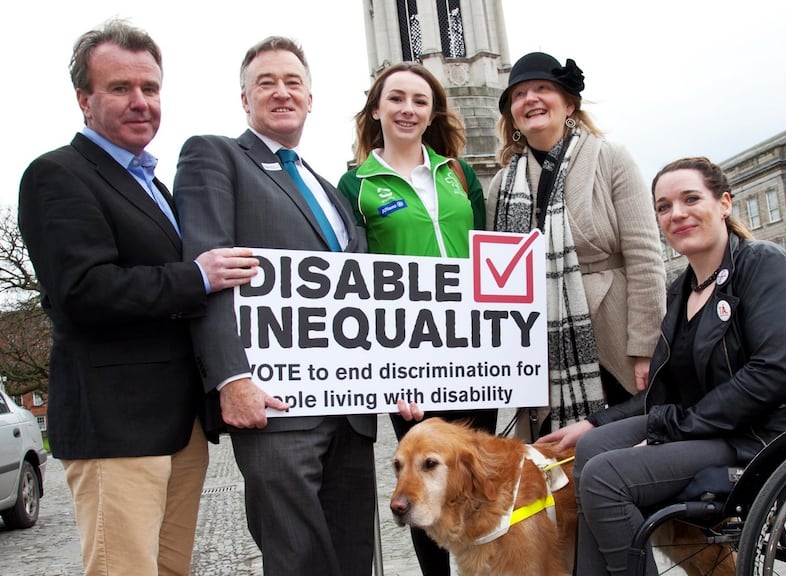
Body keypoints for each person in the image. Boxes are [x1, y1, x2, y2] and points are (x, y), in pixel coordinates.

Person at [17, 19, 259, 576]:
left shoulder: (153, 183)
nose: (140, 102)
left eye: (150, 88)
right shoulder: (58, 174)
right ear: (84, 99)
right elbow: (84, 291)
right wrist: (195, 277)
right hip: (116, 428)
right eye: (120, 88)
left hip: (178, 426)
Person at [539, 157, 786, 575]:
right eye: (663, 206)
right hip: (718, 426)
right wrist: (595, 422)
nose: (676, 213)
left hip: (768, 434)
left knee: (607, 476)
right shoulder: (683, 291)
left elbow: (772, 373)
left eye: (690, 199)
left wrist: (670, 430)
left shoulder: (764, 265)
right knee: (593, 448)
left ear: (724, 204)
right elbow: (667, 390)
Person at [173, 37, 375, 575]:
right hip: (274, 409)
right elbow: (207, 270)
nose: (281, 93)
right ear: (245, 99)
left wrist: (396, 380)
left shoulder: (332, 191)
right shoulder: (213, 156)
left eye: (292, 83)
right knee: (298, 560)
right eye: (266, 83)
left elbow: (366, 295)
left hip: (350, 412)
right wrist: (231, 379)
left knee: (355, 556)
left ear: (311, 98)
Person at [338, 61, 498, 576]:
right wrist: (389, 368)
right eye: (397, 99)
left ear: (432, 113)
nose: (408, 109)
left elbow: (489, 255)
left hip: (474, 351)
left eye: (420, 101)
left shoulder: (458, 173)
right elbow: (353, 282)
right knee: (424, 489)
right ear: (377, 109)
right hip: (408, 353)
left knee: (476, 482)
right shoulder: (355, 184)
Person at [488, 52, 666, 439]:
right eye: (519, 94)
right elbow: (498, 281)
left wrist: (646, 345)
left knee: (622, 448)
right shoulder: (501, 185)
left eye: (542, 89)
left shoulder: (610, 158)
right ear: (513, 115)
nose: (530, 99)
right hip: (540, 346)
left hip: (614, 340)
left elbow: (646, 256)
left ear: (568, 103)